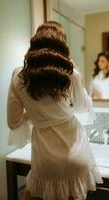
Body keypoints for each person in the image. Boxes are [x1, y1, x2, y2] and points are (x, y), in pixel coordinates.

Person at [7, 21, 102, 200]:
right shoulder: (70, 72)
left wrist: (34, 114)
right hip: (76, 154)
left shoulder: (18, 76)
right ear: (62, 45)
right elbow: (82, 108)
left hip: (45, 159)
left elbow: (13, 121)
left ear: (35, 43)